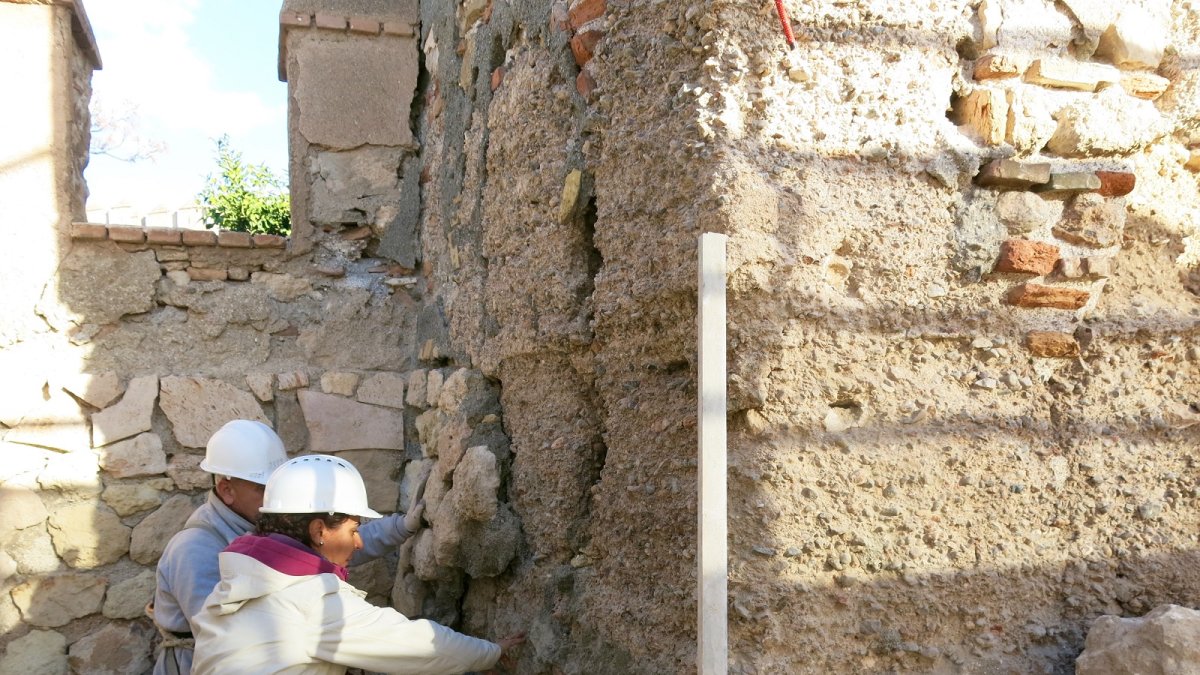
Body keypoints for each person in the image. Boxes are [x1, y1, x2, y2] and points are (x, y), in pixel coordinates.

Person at [191, 454, 525, 674]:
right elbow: (421, 645)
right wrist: (491, 652)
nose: (359, 542)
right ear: (319, 531)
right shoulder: (311, 602)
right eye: (353, 530)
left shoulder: (242, 579)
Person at [153, 421, 426, 675]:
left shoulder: (261, 523)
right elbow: (225, 638)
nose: (275, 494)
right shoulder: (194, 549)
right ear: (227, 490)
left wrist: (401, 526)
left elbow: (331, 544)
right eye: (263, 488)